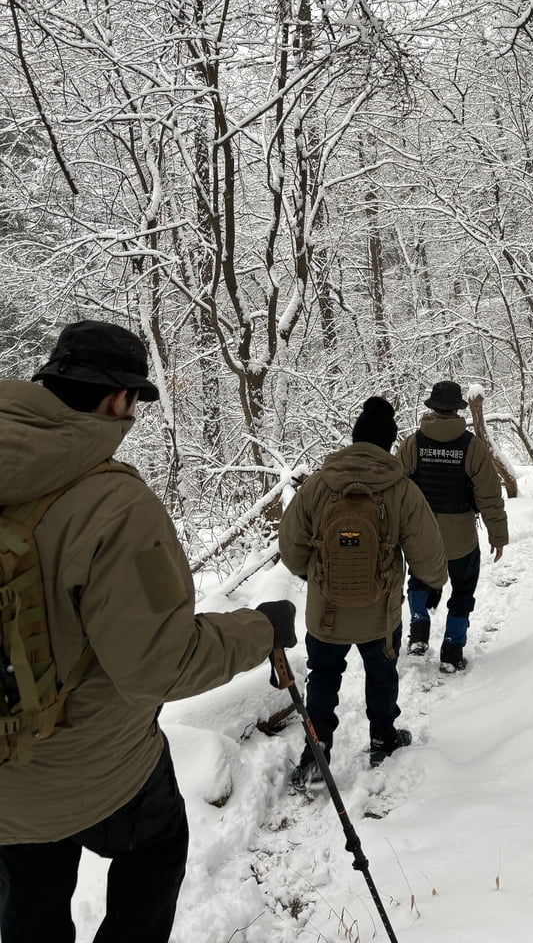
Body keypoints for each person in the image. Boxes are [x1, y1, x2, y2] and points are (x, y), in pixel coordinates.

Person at [0, 320, 296, 943]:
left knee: (29, 896)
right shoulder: (113, 506)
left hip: (6, 781)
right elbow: (160, 665)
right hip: (97, 767)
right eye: (134, 403)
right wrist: (258, 631)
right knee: (156, 847)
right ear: (117, 400)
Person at [279, 396, 446, 787]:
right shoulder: (400, 489)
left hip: (326, 612)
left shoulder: (320, 484)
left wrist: (317, 577)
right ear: (389, 443)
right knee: (382, 673)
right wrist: (432, 581)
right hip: (380, 610)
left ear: (354, 438)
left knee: (323, 677)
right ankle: (382, 737)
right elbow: (427, 547)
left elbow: (290, 545)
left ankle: (315, 756)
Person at [398, 380, 509, 673]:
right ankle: (452, 648)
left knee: (419, 579)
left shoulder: (413, 444)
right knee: (462, 590)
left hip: (421, 535)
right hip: (461, 536)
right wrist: (497, 535)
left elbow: (395, 489)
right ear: (458, 409)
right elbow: (488, 494)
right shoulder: (471, 446)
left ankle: (419, 632)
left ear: (432, 408)